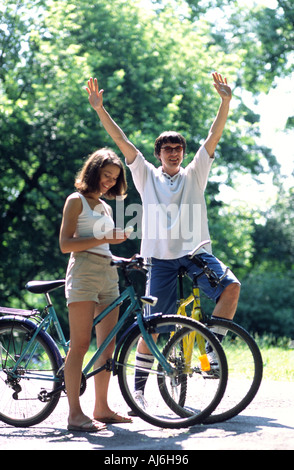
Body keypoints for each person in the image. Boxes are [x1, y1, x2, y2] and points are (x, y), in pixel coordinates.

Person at [86, 73, 241, 408]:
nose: (173, 152)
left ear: (184, 152)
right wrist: (100, 110)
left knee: (231, 287)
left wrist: (225, 102)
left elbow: (214, 135)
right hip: (160, 259)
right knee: (154, 326)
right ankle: (138, 392)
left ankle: (212, 351)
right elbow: (122, 140)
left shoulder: (195, 172)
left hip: (196, 251)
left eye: (178, 148)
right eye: (167, 148)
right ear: (158, 153)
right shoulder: (146, 175)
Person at [59, 147, 133, 432]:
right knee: (79, 344)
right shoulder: (76, 201)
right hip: (84, 272)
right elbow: (66, 244)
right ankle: (74, 415)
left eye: (114, 178)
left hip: (108, 273)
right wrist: (105, 237)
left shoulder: (105, 206)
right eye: (106, 175)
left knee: (107, 345)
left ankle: (101, 408)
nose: (110, 182)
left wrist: (122, 253)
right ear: (93, 172)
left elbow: (104, 243)